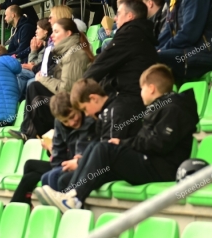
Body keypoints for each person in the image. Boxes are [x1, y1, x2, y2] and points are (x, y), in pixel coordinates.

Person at [35, 64, 199, 213]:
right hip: (151, 161)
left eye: (141, 88)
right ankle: (70, 197)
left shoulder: (173, 108)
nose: (139, 92)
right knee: (75, 168)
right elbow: (148, 140)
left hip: (162, 168)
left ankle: (75, 198)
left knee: (103, 148)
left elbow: (159, 143)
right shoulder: (160, 107)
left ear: (151, 88)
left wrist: (123, 143)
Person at [51, 78, 147, 196]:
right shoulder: (104, 113)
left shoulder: (114, 111)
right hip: (114, 164)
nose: (86, 114)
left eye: (85, 109)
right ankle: (69, 200)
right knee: (63, 178)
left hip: (127, 166)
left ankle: (74, 199)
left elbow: (108, 150)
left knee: (63, 180)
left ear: (94, 98)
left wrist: (80, 162)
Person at [11, 18, 94, 140]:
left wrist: (43, 79)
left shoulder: (75, 55)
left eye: (56, 32)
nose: (52, 35)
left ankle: (31, 133)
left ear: (68, 33)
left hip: (73, 105)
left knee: (35, 87)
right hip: (64, 100)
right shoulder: (66, 52)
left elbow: (67, 89)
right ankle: (32, 132)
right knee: (34, 86)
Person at [10, 91, 94, 206]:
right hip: (66, 162)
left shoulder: (88, 120)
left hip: (78, 163)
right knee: (30, 166)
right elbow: (59, 156)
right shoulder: (59, 123)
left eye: (72, 116)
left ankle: (18, 205)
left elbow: (81, 153)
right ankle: (22, 204)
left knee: (38, 176)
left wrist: (51, 149)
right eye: (65, 121)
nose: (72, 122)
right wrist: (52, 151)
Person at [83, 0, 159, 100]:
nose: (115, 18)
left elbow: (101, 64)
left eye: (118, 14)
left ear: (130, 16)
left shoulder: (129, 35)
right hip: (131, 94)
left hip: (128, 98)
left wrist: (80, 87)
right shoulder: (140, 33)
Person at [17, 19, 51, 95]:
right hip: (36, 72)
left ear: (46, 31)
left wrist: (33, 50)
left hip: (42, 73)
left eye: (38, 28)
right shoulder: (43, 46)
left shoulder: (48, 47)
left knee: (19, 72)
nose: (36, 31)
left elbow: (34, 65)